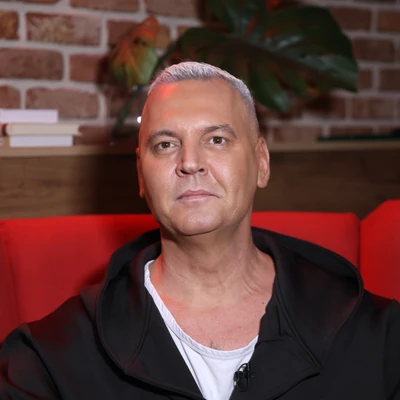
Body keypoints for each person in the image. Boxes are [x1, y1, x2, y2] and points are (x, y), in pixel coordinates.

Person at [0, 61, 399, 400]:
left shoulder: (380, 336)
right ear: (141, 175)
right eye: (165, 145)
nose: (190, 162)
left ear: (261, 162)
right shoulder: (49, 359)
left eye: (217, 139)